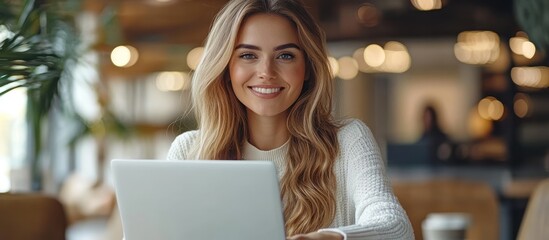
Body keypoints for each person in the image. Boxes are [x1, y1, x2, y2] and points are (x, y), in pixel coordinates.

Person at [167, 0, 414, 239]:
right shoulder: (189, 150)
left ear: (307, 68)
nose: (266, 72)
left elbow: (396, 228)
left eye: (285, 56)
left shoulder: (348, 141)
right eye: (248, 55)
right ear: (225, 68)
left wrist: (332, 237)